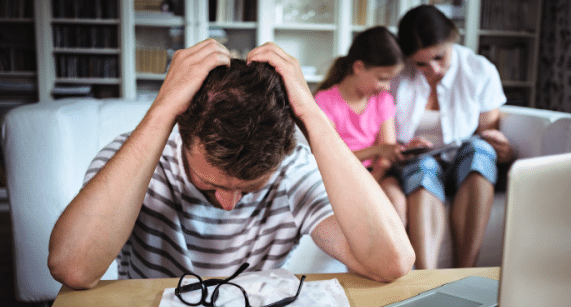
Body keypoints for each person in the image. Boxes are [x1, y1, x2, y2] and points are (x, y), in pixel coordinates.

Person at [47, 39, 415, 289]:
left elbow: (392, 263)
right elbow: (73, 268)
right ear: (181, 135)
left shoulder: (294, 170)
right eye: (209, 184)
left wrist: (312, 115)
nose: (229, 204)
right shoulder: (136, 159)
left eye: (250, 188)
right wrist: (163, 109)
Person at [389, 5, 514, 270]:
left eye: (439, 57)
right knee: (423, 168)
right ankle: (426, 278)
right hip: (417, 162)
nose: (432, 69)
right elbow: (382, 132)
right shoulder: (397, 75)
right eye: (421, 63)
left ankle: (465, 272)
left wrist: (503, 149)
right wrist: (399, 148)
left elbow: (487, 134)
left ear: (452, 39)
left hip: (462, 163)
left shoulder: (479, 70)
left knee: (481, 151)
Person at [314, 26, 407, 222]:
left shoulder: (383, 100)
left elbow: (387, 155)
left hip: (376, 175)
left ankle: (403, 254)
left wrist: (373, 181)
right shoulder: (325, 101)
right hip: (340, 178)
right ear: (358, 67)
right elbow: (332, 159)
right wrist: (377, 150)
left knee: (396, 200)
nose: (387, 86)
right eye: (383, 78)